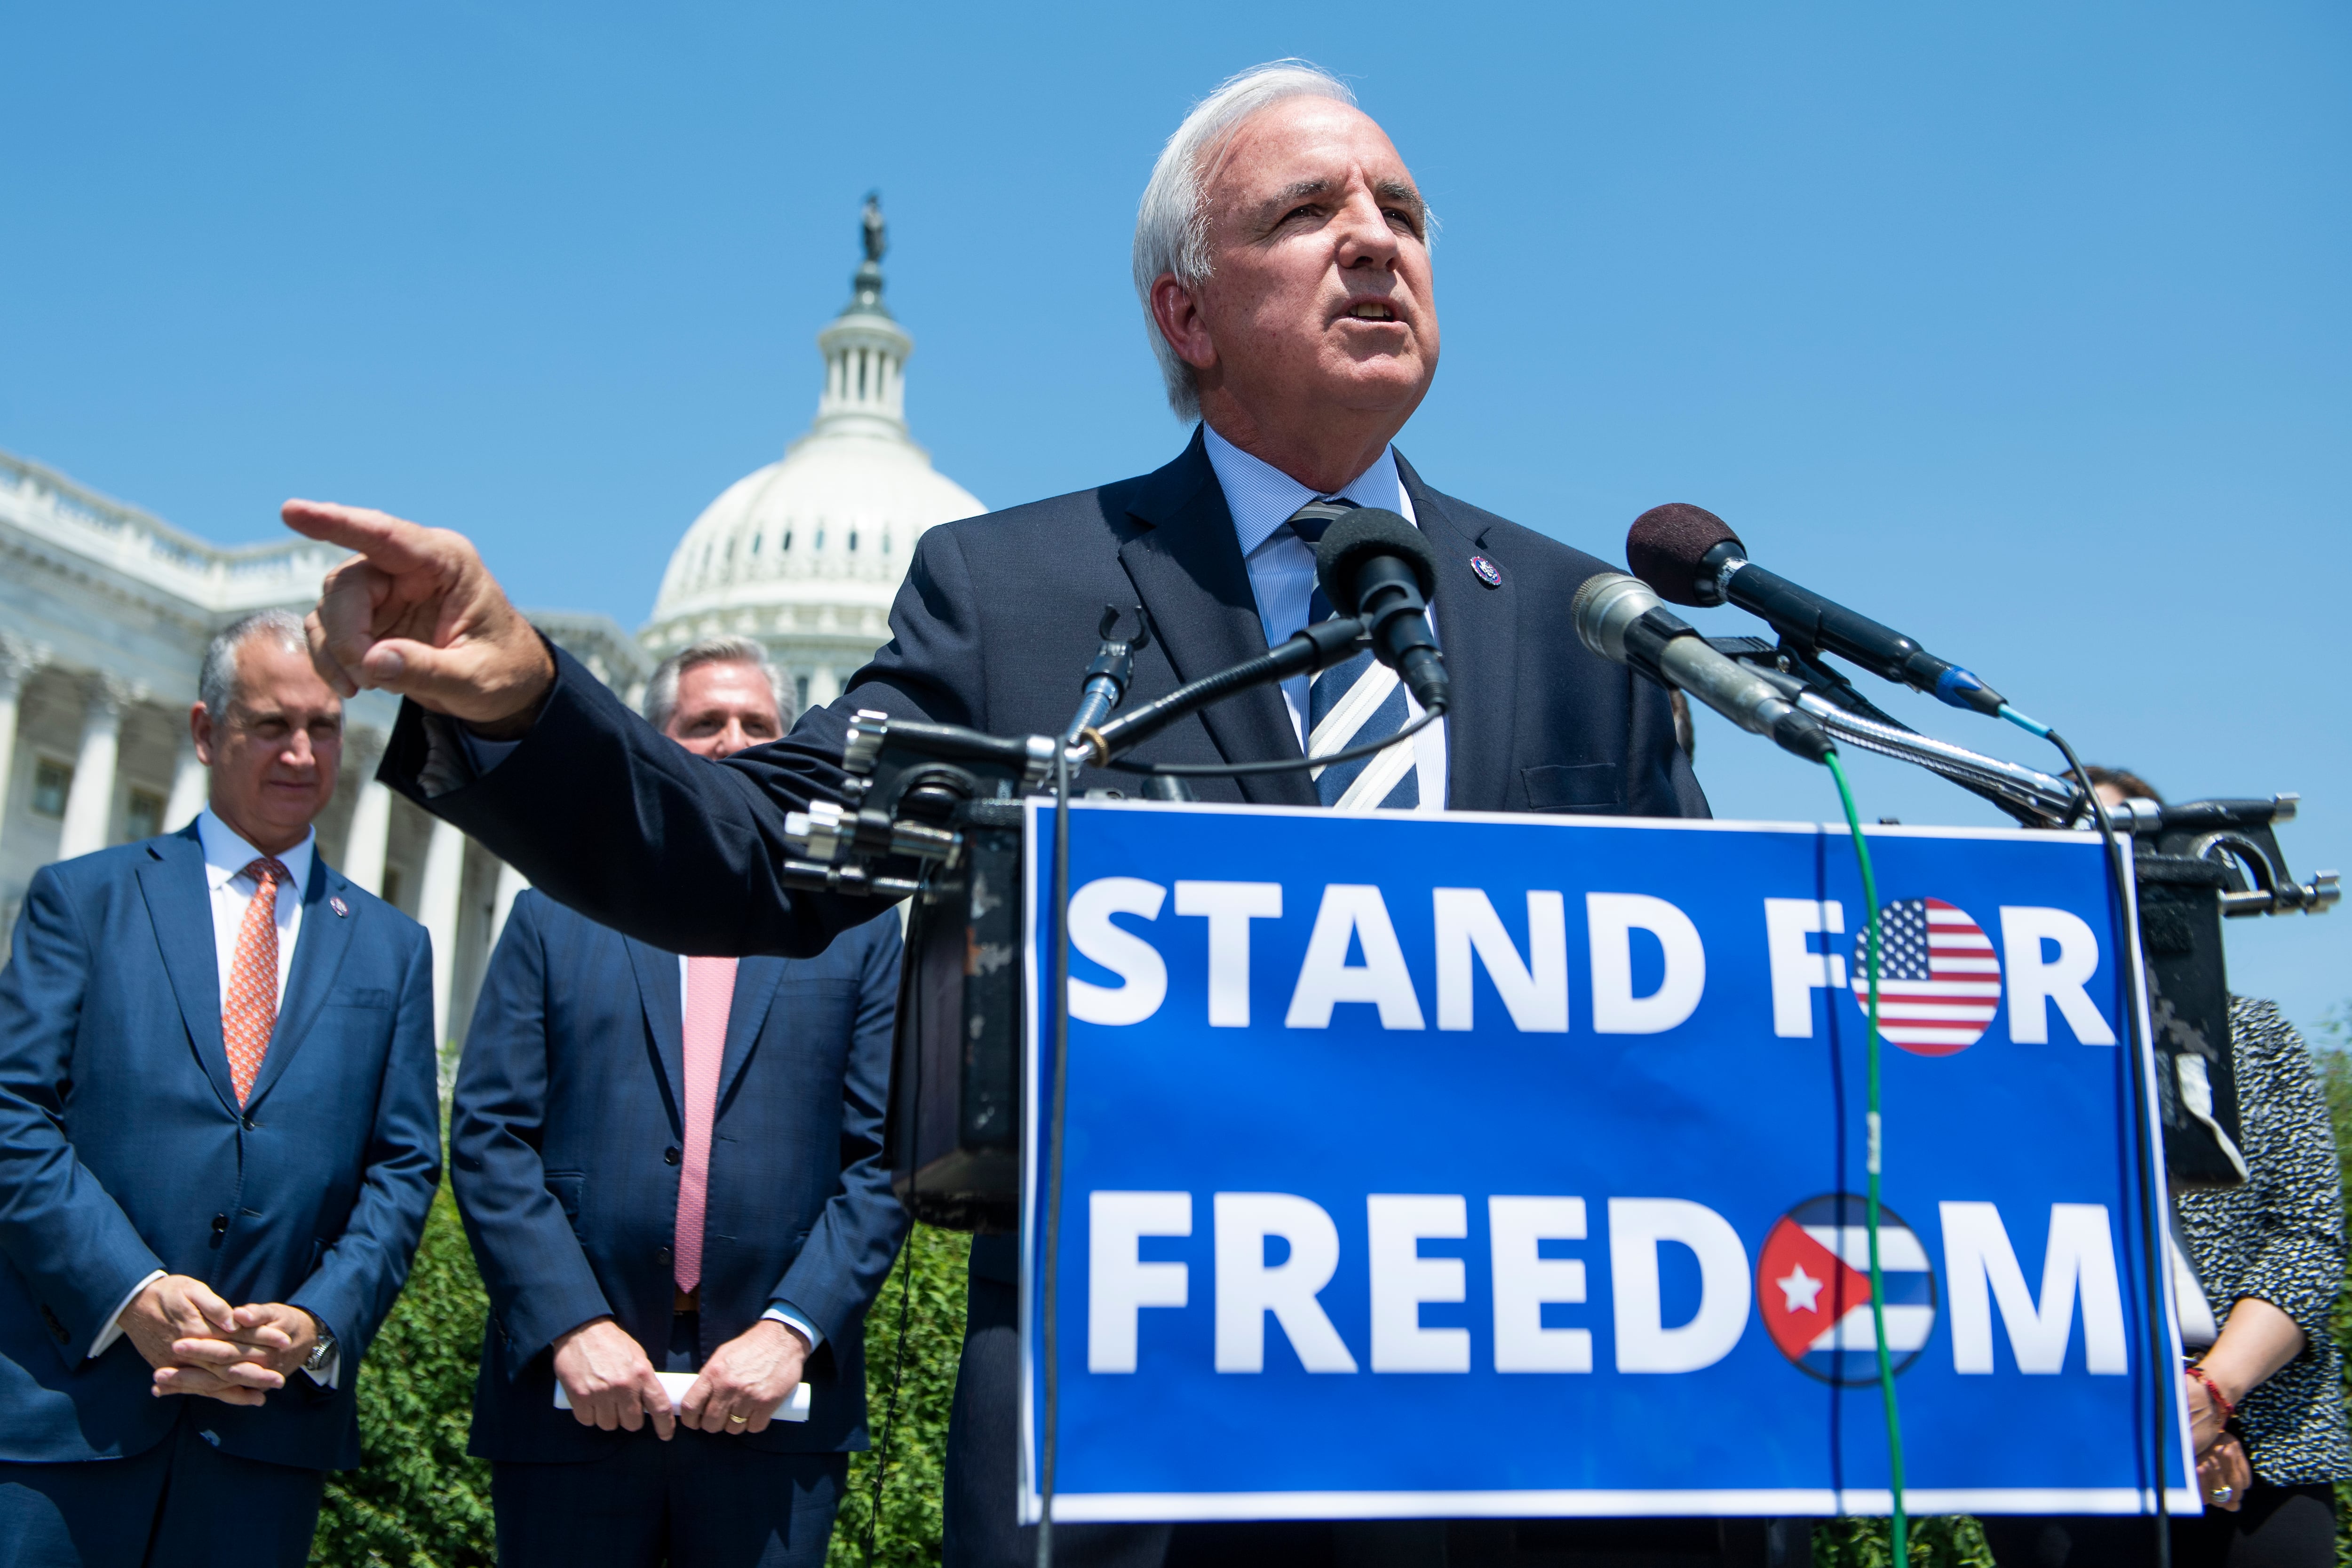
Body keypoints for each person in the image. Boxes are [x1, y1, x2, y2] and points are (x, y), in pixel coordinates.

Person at [285, 58, 1727, 1568]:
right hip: (1143, 1444)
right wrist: (526, 704)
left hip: (1511, 1445)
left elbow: (1697, 1035)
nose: (1377, 237)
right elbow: (751, 848)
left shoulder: (1585, 623)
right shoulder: (1019, 594)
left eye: (1404, 210)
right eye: (1309, 210)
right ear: (1187, 312)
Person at [452, 637, 906, 1568]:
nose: (733, 742)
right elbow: (492, 1133)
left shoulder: (856, 929)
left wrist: (790, 1330)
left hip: (776, 1407)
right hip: (573, 1397)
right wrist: (571, 1323)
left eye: (758, 725)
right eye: (703, 723)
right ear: (654, 743)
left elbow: (887, 1156)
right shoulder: (554, 908)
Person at [0, 610, 440, 1568]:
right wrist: (134, 1291)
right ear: (206, 731)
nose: (301, 750)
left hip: (265, 1427)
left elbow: (404, 1164)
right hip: (71, 1412)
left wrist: (320, 1315)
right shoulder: (85, 898)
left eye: (323, 727)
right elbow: (11, 1115)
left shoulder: (393, 947)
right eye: (272, 723)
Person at [1981, 767, 2350, 1568]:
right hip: (2065, 1450)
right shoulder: (1988, 1053)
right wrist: (2151, 1408)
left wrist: (2213, 1395)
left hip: (2267, 1448)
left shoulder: (2255, 1036)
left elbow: (2310, 1236)